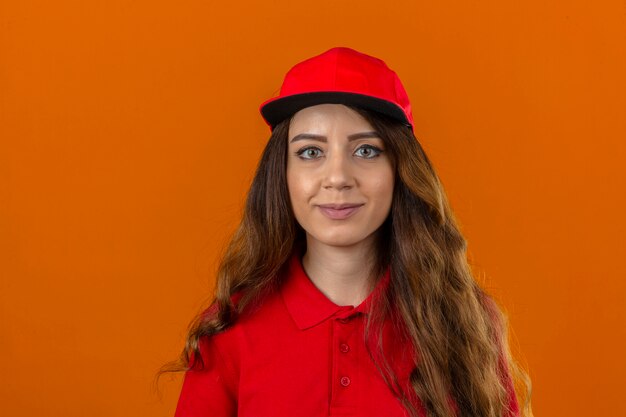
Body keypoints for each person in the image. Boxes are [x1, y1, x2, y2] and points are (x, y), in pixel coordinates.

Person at [163, 47, 532, 417]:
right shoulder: (231, 330)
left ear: (400, 169)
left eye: (366, 150)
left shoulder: (461, 319)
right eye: (310, 152)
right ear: (282, 173)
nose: (337, 178)